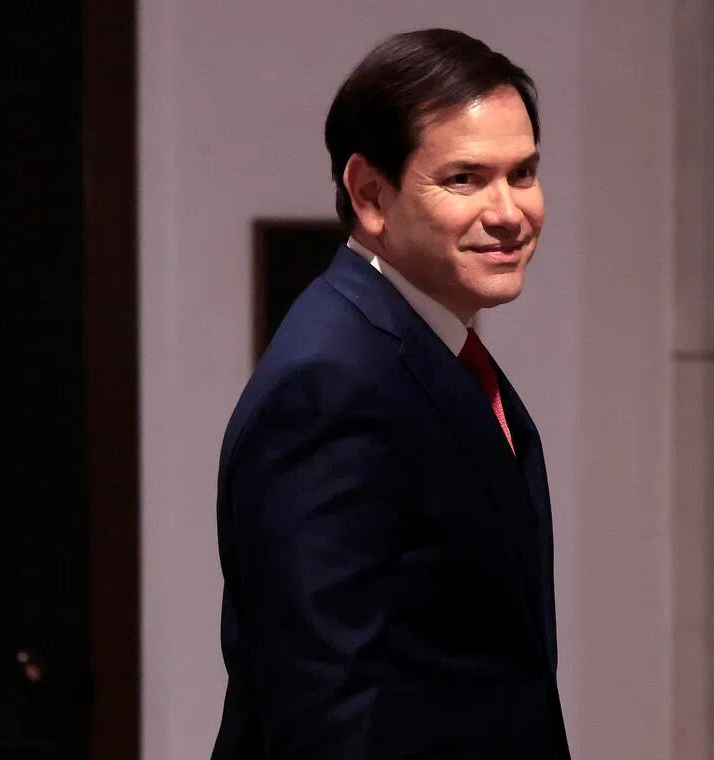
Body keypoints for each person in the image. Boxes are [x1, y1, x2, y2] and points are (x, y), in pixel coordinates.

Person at [211, 29, 569, 759]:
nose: (509, 212)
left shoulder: (417, 343)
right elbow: (323, 715)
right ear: (370, 194)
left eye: (523, 173)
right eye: (466, 179)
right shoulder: (332, 383)